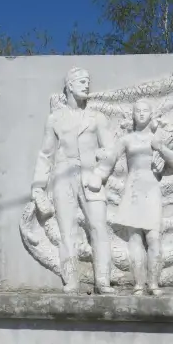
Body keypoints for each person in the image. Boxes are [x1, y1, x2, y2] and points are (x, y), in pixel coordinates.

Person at [31, 67, 116, 294]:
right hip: (63, 177)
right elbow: (45, 154)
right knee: (66, 231)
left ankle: (103, 281)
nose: (86, 85)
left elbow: (111, 150)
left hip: (91, 177)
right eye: (81, 81)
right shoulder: (55, 119)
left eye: (87, 81)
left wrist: (100, 174)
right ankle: (71, 281)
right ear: (69, 85)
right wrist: (38, 188)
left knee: (99, 227)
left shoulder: (97, 118)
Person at [108, 99, 173, 295]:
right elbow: (110, 159)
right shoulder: (126, 140)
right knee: (134, 238)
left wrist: (161, 148)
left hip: (151, 190)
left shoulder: (157, 139)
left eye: (145, 110)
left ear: (151, 114)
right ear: (133, 115)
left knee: (154, 238)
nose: (141, 113)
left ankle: (154, 283)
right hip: (132, 190)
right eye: (137, 111)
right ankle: (139, 284)